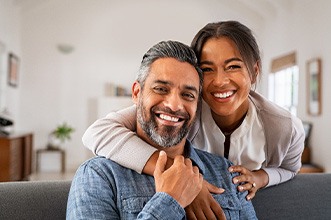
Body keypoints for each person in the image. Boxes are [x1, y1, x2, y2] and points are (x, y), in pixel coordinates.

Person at [82, 21, 305, 217]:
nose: (219, 81)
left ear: (254, 71)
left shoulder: (282, 126)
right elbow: (97, 132)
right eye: (207, 69)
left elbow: (291, 168)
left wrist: (261, 177)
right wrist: (182, 179)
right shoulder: (183, 112)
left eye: (233, 66)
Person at [67, 40, 257, 219]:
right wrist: (169, 201)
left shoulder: (226, 172)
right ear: (137, 93)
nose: (174, 105)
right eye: (161, 89)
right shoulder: (98, 176)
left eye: (187, 95)